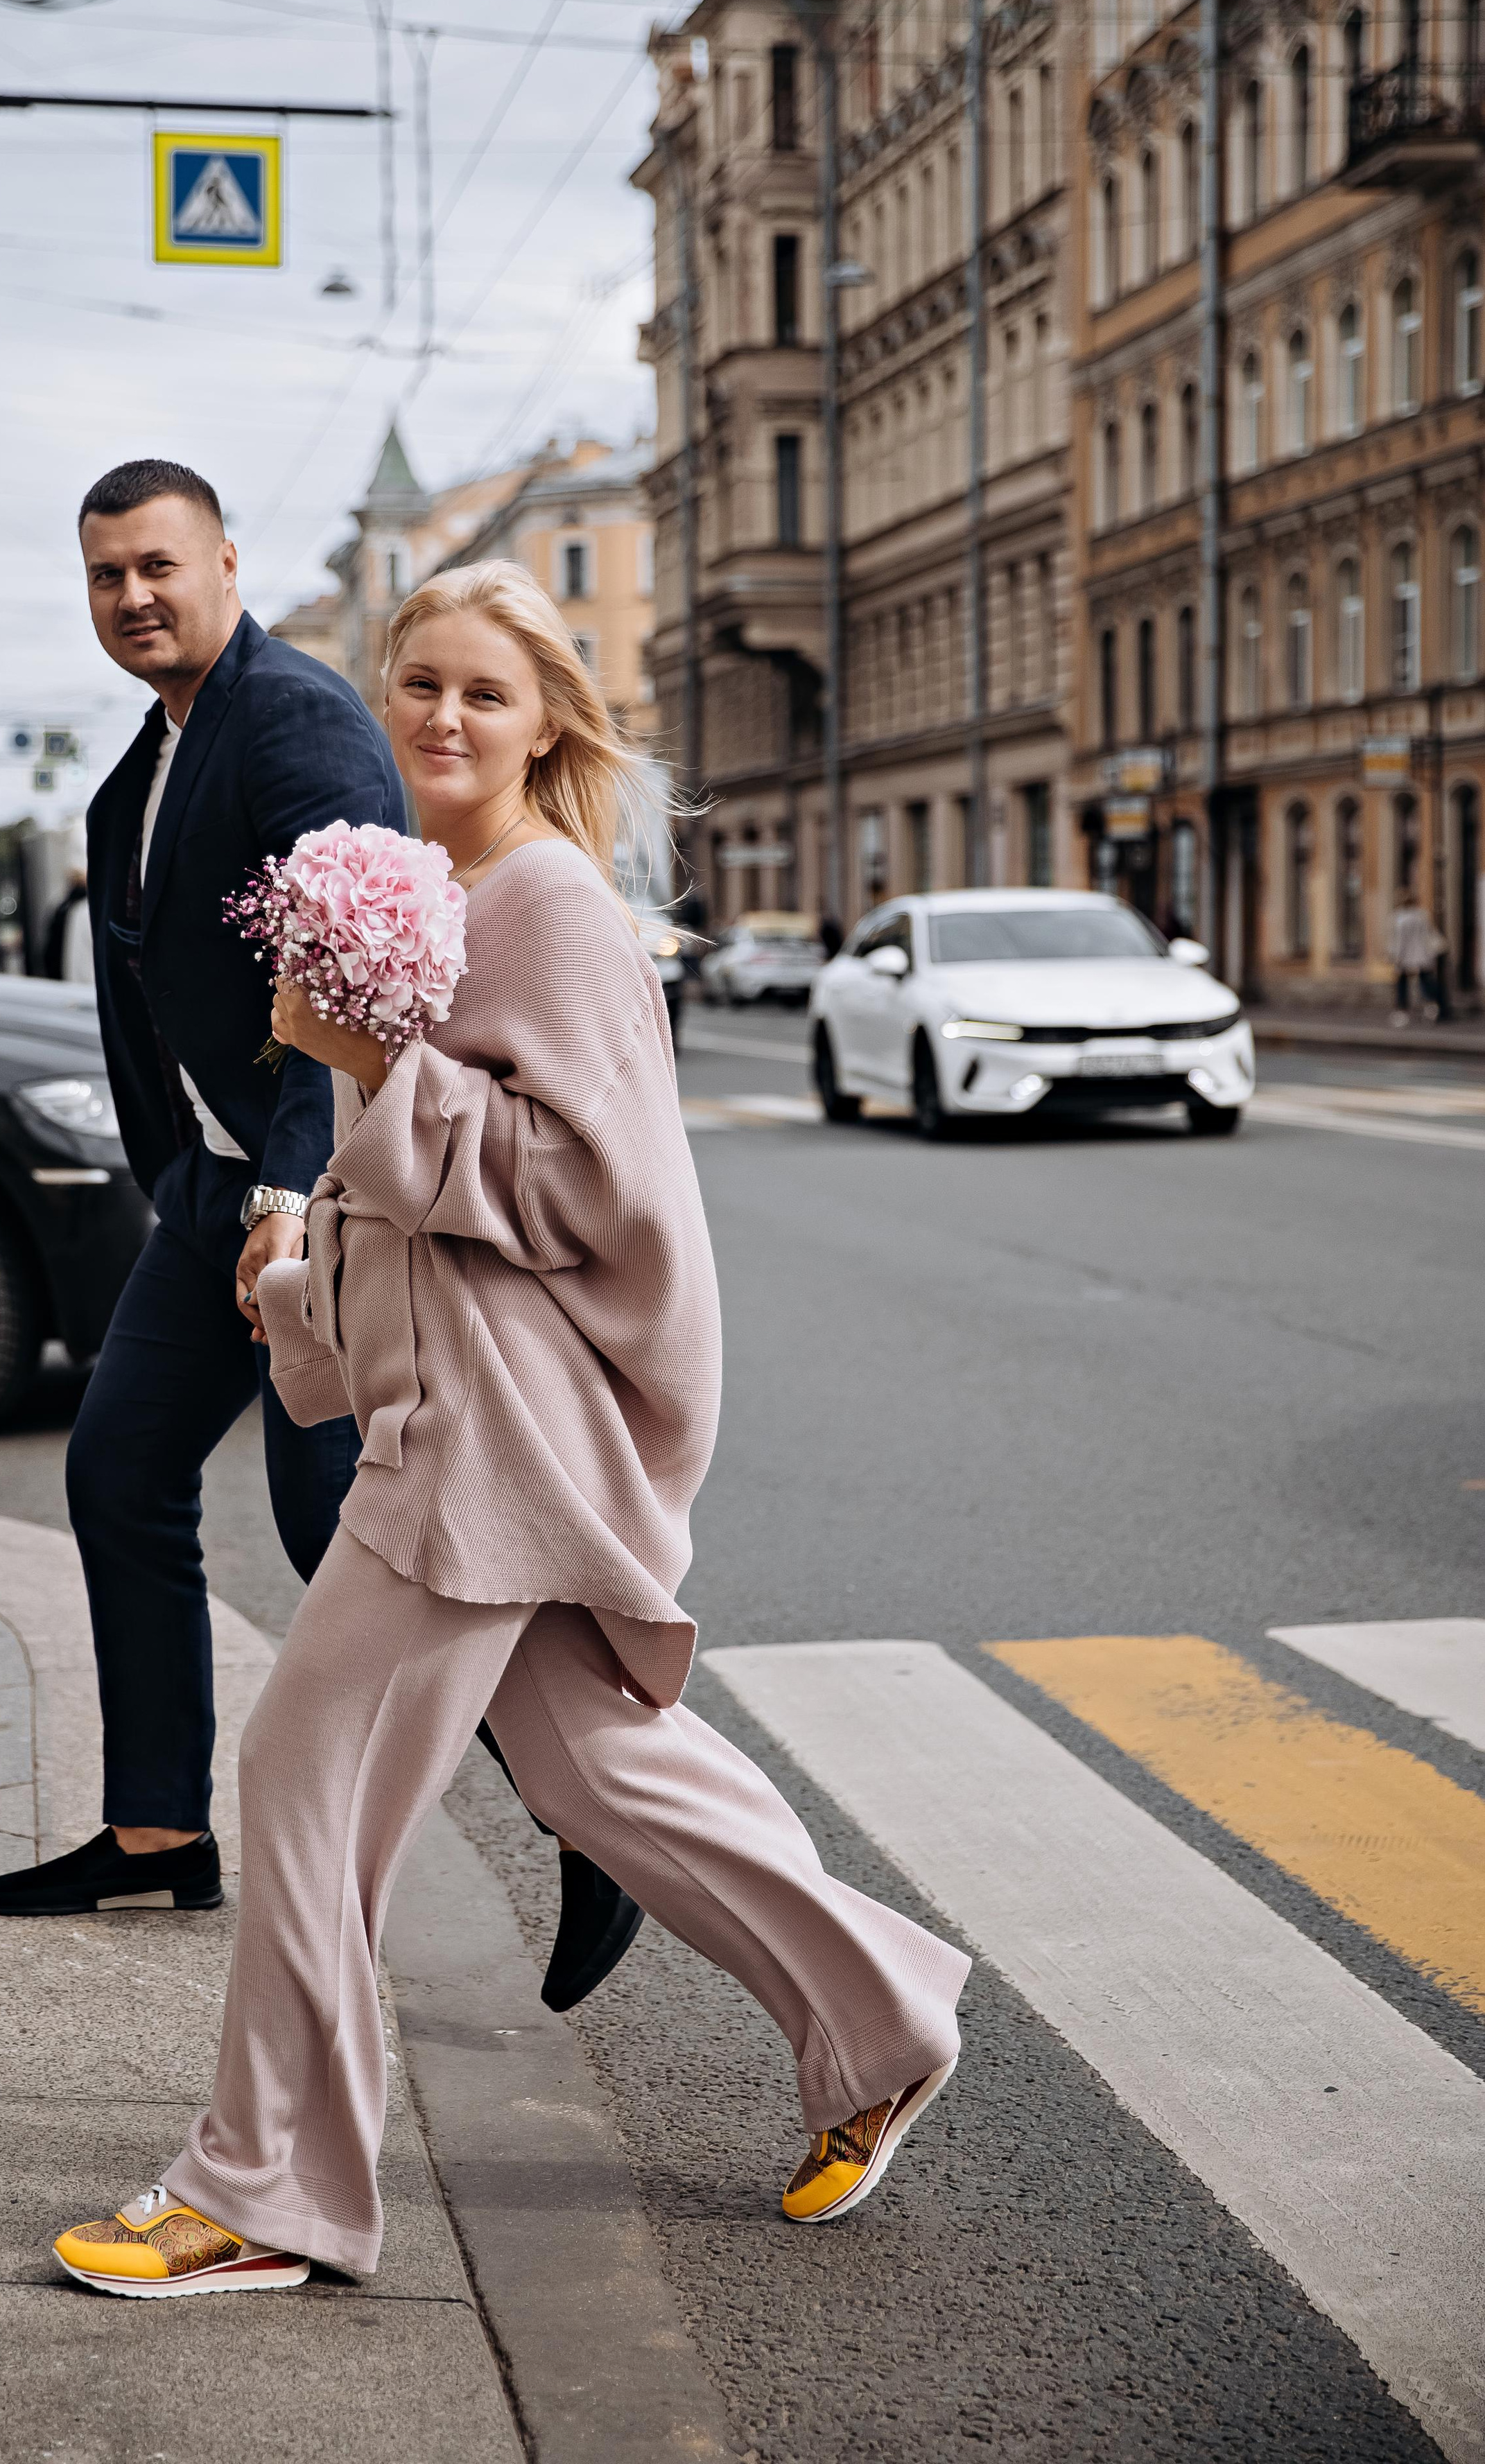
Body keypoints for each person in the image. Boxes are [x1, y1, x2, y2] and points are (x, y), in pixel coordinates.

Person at [52, 561, 971, 2299]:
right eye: (418, 684)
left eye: (483, 690)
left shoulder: (549, 902)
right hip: (446, 1399)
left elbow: (587, 1190)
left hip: (494, 1433)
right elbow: (422, 1182)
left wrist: (374, 1065)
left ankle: (269, 2189)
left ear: (547, 716)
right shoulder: (425, 886)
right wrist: (302, 1250)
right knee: (597, 1769)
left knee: (299, 1779)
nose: (443, 718)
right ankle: (883, 2017)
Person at [0, 468, 639, 2016]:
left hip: (318, 1194)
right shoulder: (143, 761)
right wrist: (183, 1173)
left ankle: (593, 1813)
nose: (131, 598)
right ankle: (152, 1828)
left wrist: (288, 1190)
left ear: (222, 561)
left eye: (156, 566)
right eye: (103, 578)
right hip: (210, 1192)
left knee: (349, 1531)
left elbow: (365, 978)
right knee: (118, 1467)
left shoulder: (290, 716)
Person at [1389, 891, 1446, 1026]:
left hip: (1405, 956)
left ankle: (1402, 1013)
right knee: (1425, 982)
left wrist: (1396, 956)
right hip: (1422, 955)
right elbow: (1429, 934)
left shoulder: (1399, 918)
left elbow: (1399, 941)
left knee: (1402, 984)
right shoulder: (1422, 915)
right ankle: (1431, 1009)